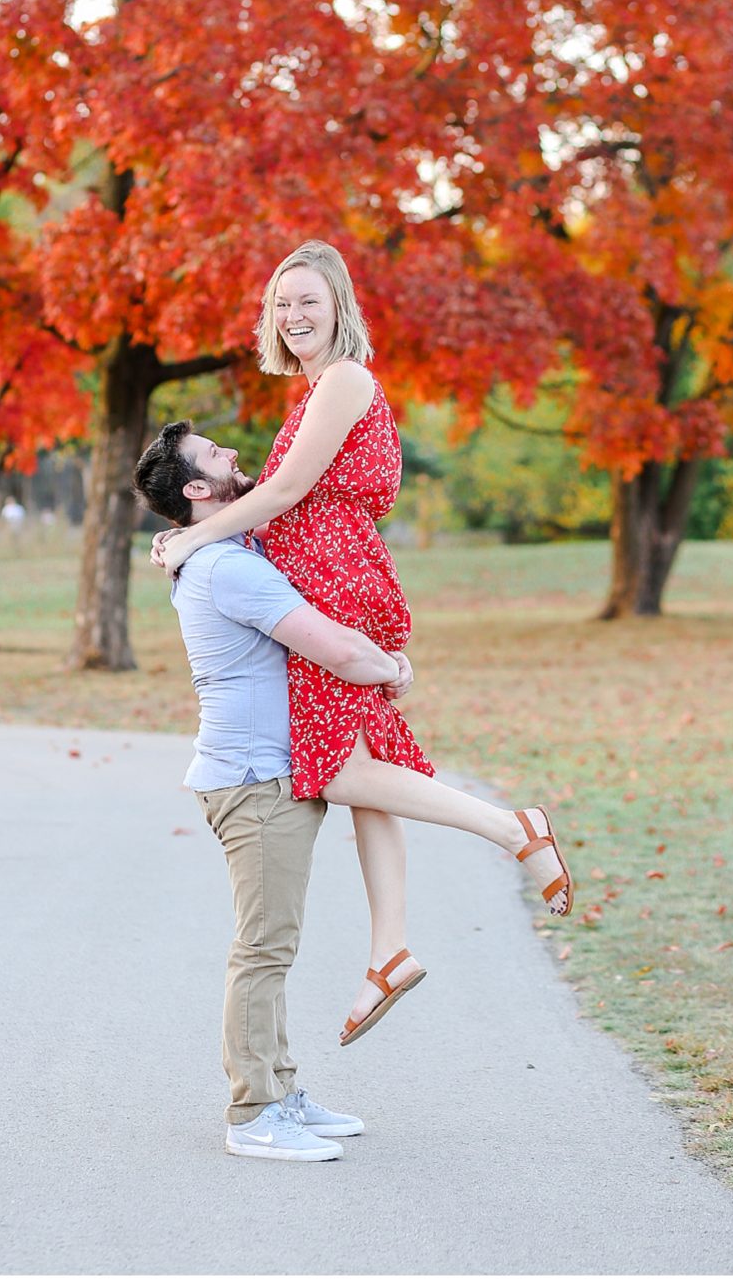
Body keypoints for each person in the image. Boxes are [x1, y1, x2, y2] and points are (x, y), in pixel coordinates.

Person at [154, 241, 573, 1045]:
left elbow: (281, 493)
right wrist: (183, 532)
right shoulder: (314, 391)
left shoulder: (343, 380)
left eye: (306, 300)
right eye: (280, 303)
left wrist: (189, 546)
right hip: (333, 576)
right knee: (363, 771)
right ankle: (389, 950)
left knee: (343, 772)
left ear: (338, 306)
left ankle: (512, 828)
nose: (292, 315)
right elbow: (264, 498)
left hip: (337, 577)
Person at [133, 420, 414, 1162]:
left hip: (267, 774)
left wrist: (175, 539)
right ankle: (253, 1112)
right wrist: (390, 667)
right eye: (215, 456)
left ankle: (281, 1087)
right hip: (255, 781)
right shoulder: (230, 568)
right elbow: (333, 647)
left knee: (274, 944)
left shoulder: (226, 548)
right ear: (198, 488)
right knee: (262, 948)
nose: (233, 455)